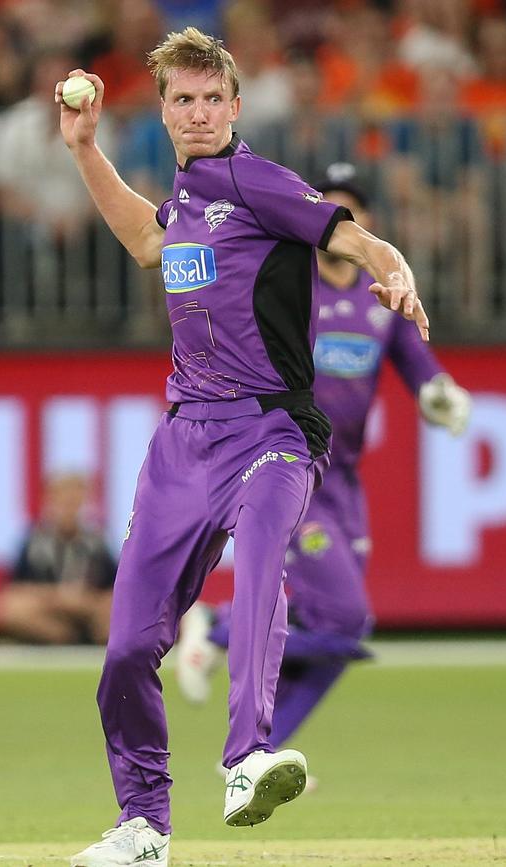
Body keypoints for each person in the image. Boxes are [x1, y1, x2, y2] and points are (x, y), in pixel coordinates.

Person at [55, 27, 429, 867]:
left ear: (234, 106)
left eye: (210, 99)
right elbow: (147, 241)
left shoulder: (257, 182)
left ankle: (245, 757)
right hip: (185, 440)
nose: (196, 113)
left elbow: (347, 234)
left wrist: (391, 264)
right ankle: (144, 825)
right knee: (123, 649)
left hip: (273, 428)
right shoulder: (185, 203)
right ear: (164, 111)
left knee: (262, 557)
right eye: (181, 101)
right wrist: (83, 151)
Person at [175, 163, 471, 773]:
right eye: (326, 207)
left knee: (333, 635)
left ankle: (258, 751)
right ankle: (217, 630)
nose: (337, 220)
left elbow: (418, 364)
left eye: (350, 210)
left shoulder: (380, 300)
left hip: (345, 483)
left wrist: (441, 392)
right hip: (291, 465)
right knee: (346, 617)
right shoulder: (287, 286)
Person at [0, 472, 115, 645]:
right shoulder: (34, 543)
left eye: (74, 501)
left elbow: (113, 589)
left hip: (88, 613)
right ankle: (66, 636)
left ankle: (79, 636)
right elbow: (18, 589)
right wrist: (58, 597)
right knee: (15, 608)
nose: (68, 508)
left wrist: (86, 601)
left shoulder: (97, 543)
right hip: (48, 612)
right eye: (63, 501)